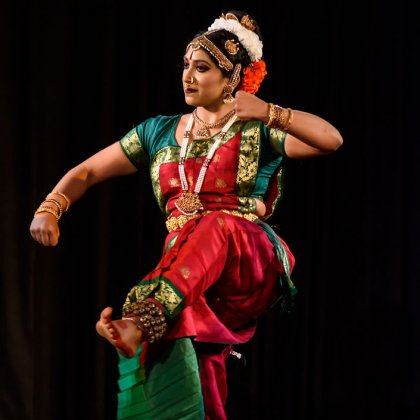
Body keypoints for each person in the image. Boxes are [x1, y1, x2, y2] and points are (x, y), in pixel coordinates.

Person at [29, 9, 343, 420]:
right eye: (185, 66)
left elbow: (331, 140)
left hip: (247, 258)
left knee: (215, 225)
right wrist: (50, 207)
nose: (187, 76)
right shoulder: (158, 132)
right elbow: (86, 172)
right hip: (189, 270)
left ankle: (140, 321)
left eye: (202, 68)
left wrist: (269, 112)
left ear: (231, 78)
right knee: (188, 366)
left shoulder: (257, 126)